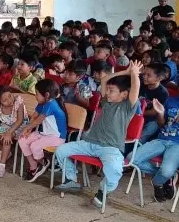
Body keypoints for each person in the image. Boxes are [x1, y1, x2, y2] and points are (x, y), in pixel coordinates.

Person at [55, 61, 142, 208]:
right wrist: (124, 72)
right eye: (107, 90)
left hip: (111, 148)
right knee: (61, 150)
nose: (107, 92)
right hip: (89, 143)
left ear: (124, 94)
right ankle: (72, 179)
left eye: (111, 90)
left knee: (114, 170)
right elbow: (103, 80)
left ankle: (103, 191)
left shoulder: (127, 107)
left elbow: (135, 88)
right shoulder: (106, 102)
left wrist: (133, 74)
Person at [17, 79, 68, 182]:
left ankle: (43, 162)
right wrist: (27, 130)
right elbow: (34, 117)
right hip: (44, 134)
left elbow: (38, 121)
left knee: (34, 145)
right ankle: (34, 166)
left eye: (37, 93)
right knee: (22, 139)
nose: (35, 96)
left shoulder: (51, 104)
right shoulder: (42, 103)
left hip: (57, 137)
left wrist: (27, 128)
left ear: (47, 95)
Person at [131, 95, 179, 202]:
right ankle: (166, 178)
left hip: (177, 145)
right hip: (161, 139)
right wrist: (161, 113)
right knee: (131, 159)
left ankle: (158, 181)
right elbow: (161, 124)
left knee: (166, 171)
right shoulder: (171, 100)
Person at [0, 87, 28, 178]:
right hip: (6, 124)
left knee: (6, 139)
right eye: (5, 100)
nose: (9, 100)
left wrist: (8, 133)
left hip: (20, 126)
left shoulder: (18, 102)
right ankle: (5, 152)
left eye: (10, 96)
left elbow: (20, 120)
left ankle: (2, 165)